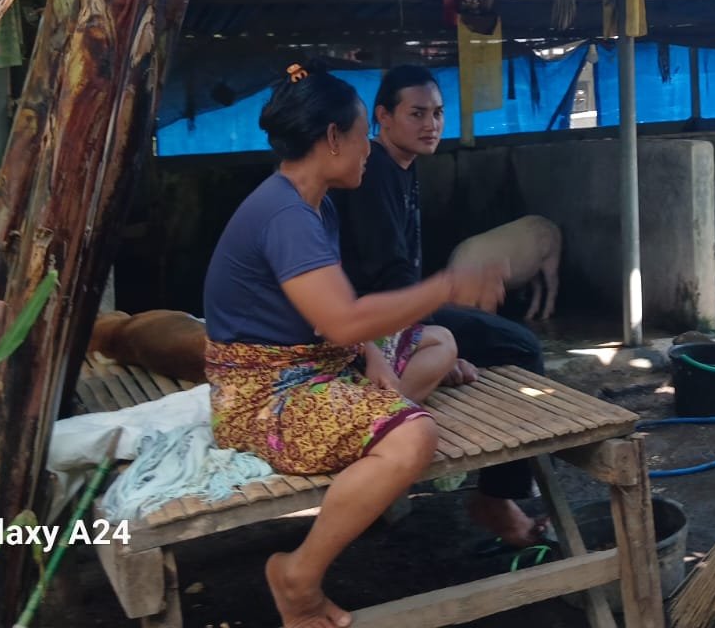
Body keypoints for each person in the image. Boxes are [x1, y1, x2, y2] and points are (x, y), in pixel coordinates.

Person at [203, 62, 507, 628]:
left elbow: (331, 318)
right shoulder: (287, 216)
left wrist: (372, 357)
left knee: (437, 338)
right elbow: (343, 321)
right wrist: (446, 286)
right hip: (263, 397)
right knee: (416, 436)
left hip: (313, 364)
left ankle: (371, 434)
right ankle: (297, 577)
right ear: (332, 138)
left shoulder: (311, 204)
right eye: (363, 134)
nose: (369, 149)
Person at [331, 65, 550, 549]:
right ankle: (496, 499)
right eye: (417, 114)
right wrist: (428, 340)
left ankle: (495, 490)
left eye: (437, 113)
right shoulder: (373, 174)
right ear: (383, 116)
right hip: (373, 323)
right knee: (521, 348)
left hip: (400, 310)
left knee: (505, 342)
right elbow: (387, 275)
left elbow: (402, 271)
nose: (431, 124)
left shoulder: (400, 168)